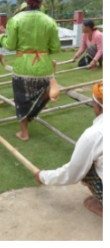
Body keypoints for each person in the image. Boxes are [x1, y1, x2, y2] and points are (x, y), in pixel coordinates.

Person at [0, 0, 60, 141]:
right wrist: (42, 51)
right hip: (44, 66)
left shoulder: (16, 19)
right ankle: (48, 89)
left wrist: (0, 35)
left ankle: (24, 133)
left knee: (21, 100)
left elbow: (10, 45)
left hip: (23, 67)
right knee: (39, 94)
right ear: (41, 0)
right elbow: (55, 47)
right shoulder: (49, 21)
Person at [34, 81, 103, 217]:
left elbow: (72, 172)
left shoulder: (93, 135)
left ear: (99, 108)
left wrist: (43, 176)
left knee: (86, 168)